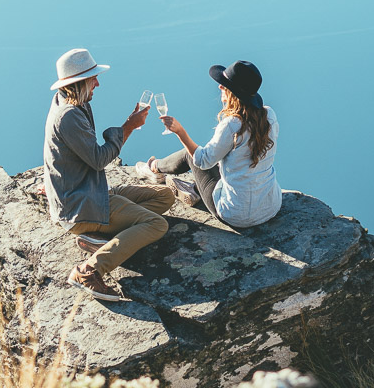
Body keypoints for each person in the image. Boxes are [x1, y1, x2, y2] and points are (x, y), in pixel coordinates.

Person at [43, 47, 176, 302]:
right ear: (80, 82)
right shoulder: (69, 116)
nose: (98, 83)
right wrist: (129, 127)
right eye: (93, 78)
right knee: (156, 224)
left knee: (166, 196)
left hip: (90, 192)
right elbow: (99, 159)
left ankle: (100, 239)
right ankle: (89, 270)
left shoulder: (71, 103)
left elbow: (61, 155)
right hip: (83, 206)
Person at [151, 60, 282, 228]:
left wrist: (180, 131)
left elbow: (202, 161)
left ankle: (154, 168)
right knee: (227, 162)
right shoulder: (269, 115)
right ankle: (194, 191)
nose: (220, 87)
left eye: (224, 85)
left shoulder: (232, 125)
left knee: (191, 155)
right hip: (270, 206)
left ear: (233, 94)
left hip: (236, 214)